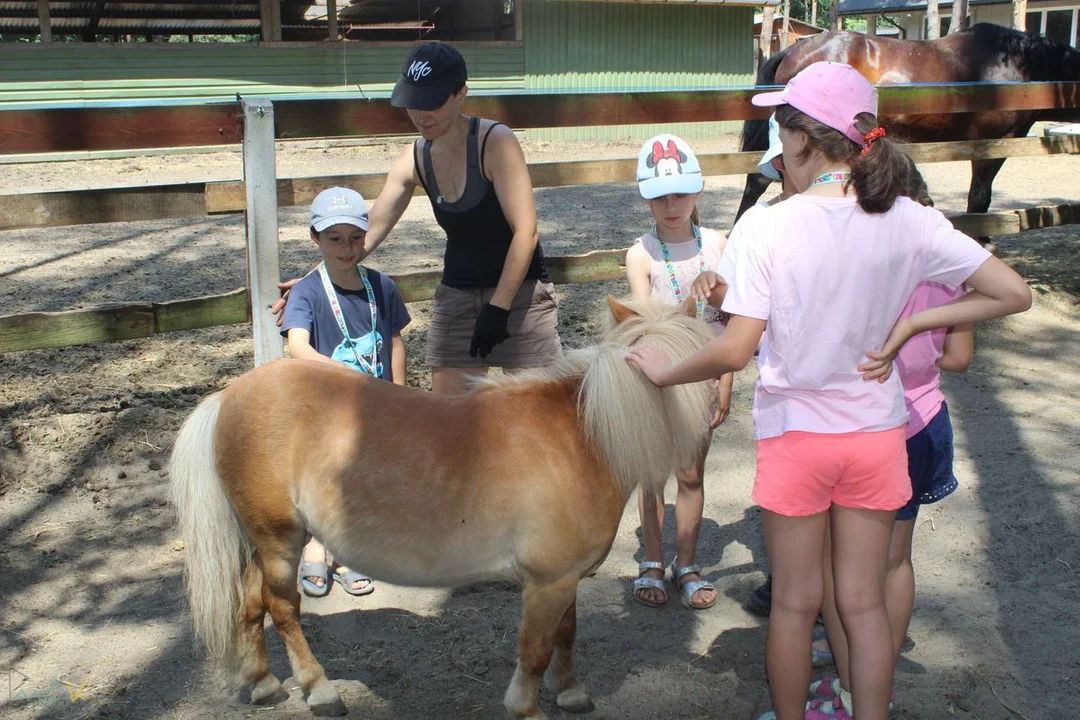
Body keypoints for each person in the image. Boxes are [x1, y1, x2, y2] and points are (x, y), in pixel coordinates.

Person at [624, 61, 1031, 720]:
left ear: (804, 140)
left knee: (795, 603)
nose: (778, 145)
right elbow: (1014, 293)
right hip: (876, 438)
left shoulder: (768, 225)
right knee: (864, 603)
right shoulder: (909, 219)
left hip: (796, 439)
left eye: (782, 130)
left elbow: (734, 346)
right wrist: (919, 321)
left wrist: (661, 369)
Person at [273, 42, 561, 394]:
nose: (421, 115)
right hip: (458, 295)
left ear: (460, 94)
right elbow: (369, 230)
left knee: (536, 412)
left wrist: (499, 307)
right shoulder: (415, 156)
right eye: (414, 103)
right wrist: (313, 281)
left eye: (433, 103)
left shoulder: (494, 141)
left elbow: (526, 232)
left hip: (520, 296)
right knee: (448, 422)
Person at [809, 281, 974, 716]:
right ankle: (880, 675)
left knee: (839, 568)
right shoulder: (946, 274)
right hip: (926, 422)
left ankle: (853, 690)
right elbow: (958, 358)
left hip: (867, 429)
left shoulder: (864, 262)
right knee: (896, 560)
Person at [281, 187, 411, 597]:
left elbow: (393, 341)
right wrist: (345, 375)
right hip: (326, 408)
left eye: (355, 237)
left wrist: (400, 394)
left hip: (377, 403)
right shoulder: (308, 291)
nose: (346, 248)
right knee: (327, 476)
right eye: (334, 239)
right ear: (315, 239)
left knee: (363, 476)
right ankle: (317, 547)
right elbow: (297, 346)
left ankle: (350, 552)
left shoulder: (382, 286)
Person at [623, 133, 732, 611]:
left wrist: (725, 379)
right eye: (661, 196)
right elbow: (642, 322)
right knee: (651, 474)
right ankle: (651, 558)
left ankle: (685, 562)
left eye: (681, 194)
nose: (671, 205)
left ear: (698, 193)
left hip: (703, 378)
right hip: (655, 376)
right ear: (646, 198)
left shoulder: (718, 245)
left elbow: (732, 319)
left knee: (690, 474)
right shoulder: (641, 253)